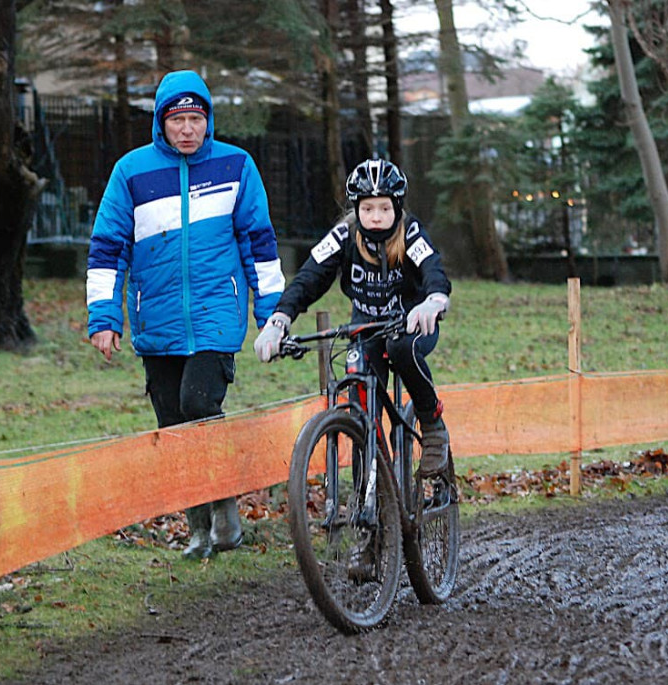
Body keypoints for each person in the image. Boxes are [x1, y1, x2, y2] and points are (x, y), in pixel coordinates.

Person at [86, 70, 285, 558]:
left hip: (218, 311)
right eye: (178, 120)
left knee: (200, 403)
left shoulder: (237, 165)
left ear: (208, 120)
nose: (188, 129)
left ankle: (226, 511)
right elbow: (108, 249)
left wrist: (272, 312)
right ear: (162, 122)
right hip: (157, 319)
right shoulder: (131, 172)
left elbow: (259, 241)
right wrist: (104, 318)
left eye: (197, 119)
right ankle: (198, 529)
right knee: (174, 426)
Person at [254, 157, 452, 476]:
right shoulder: (344, 234)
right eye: (368, 208)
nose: (376, 217)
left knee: (401, 348)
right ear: (356, 208)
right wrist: (278, 321)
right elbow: (308, 278)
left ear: (397, 207)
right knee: (360, 391)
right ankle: (369, 489)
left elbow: (433, 270)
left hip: (413, 323)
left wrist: (434, 300)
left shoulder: (410, 232)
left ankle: (432, 425)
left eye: (384, 209)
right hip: (367, 326)